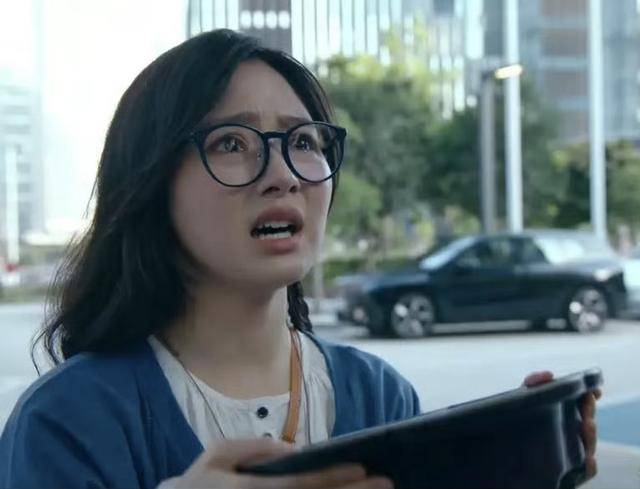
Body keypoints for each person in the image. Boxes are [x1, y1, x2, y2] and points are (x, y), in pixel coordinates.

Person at [0, 29, 600, 489]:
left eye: (304, 141)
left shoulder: (379, 395)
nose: (283, 173)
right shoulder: (68, 421)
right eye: (231, 143)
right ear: (151, 185)